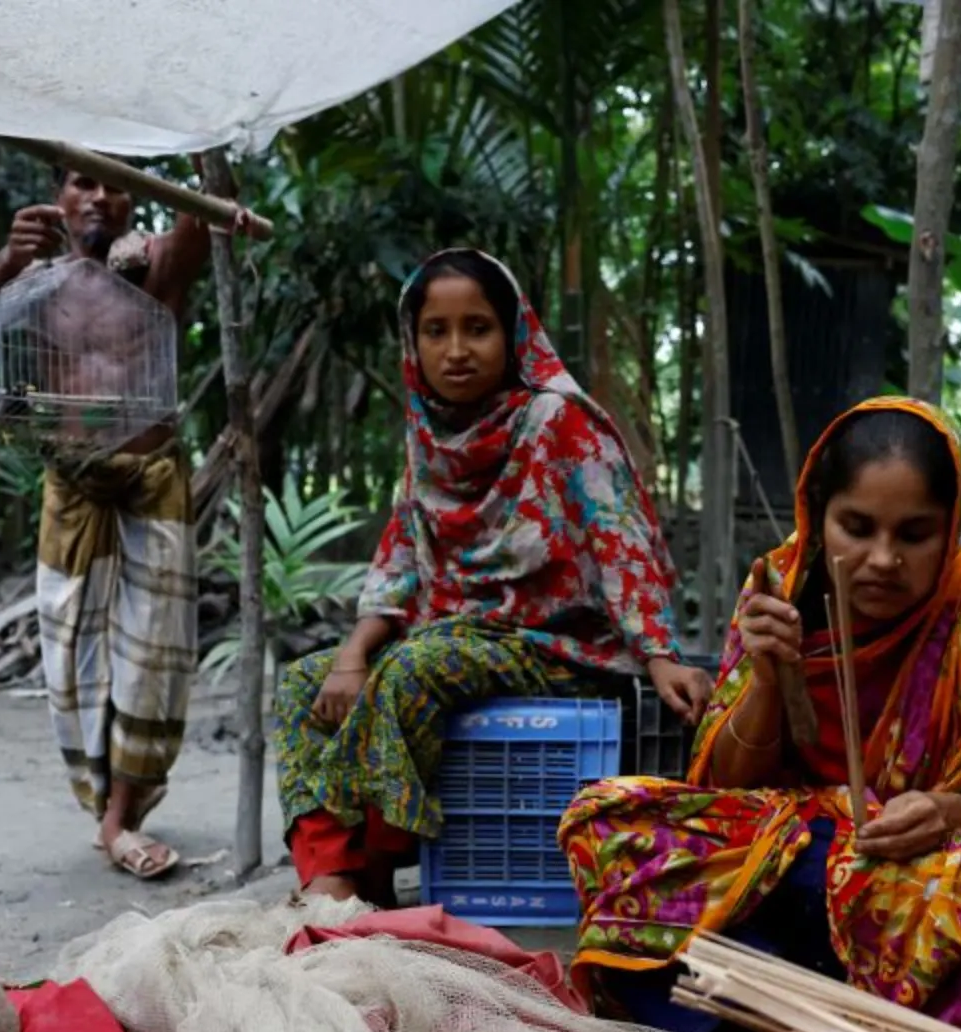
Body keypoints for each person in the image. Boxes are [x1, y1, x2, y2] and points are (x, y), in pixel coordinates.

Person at [562, 399, 961, 1032]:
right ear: (818, 513)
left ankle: (786, 1012)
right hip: (790, 855)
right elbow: (725, 790)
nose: (883, 559)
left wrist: (948, 812)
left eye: (916, 533)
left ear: (951, 525)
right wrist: (770, 680)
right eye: (857, 528)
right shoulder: (778, 592)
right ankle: (856, 1014)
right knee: (601, 814)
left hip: (916, 869)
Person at [275, 248, 708, 904]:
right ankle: (332, 875)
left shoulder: (558, 422)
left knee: (412, 669)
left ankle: (371, 870)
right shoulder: (426, 439)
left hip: (555, 646)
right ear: (413, 342)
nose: (455, 350)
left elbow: (621, 540)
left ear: (513, 335)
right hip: (453, 636)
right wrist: (352, 650)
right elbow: (399, 556)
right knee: (305, 684)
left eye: (477, 328)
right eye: (436, 331)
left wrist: (658, 655)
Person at [0, 161, 212, 880]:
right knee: (70, 652)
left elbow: (205, 219)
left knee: (152, 652)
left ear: (137, 199)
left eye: (116, 183)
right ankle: (108, 809)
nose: (99, 196)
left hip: (152, 479)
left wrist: (198, 154)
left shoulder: (154, 263)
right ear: (58, 199)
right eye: (81, 181)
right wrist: (8, 257)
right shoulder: (34, 283)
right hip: (71, 484)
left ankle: (120, 818)